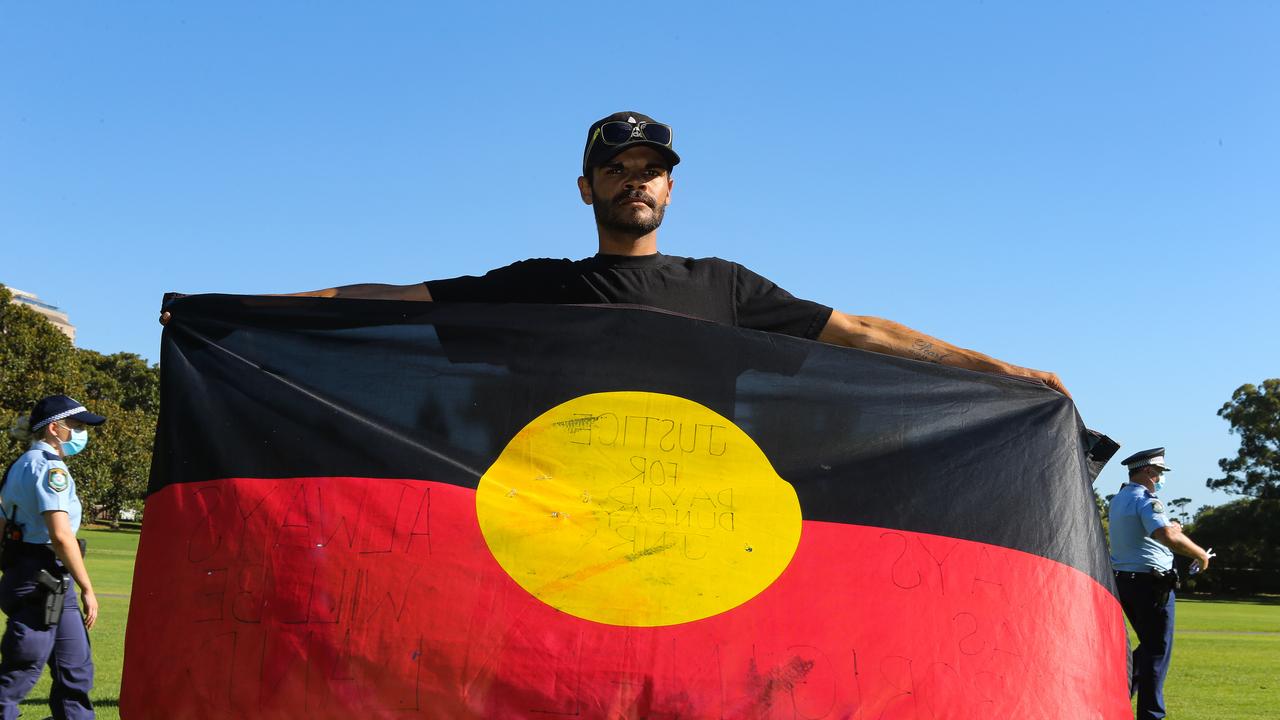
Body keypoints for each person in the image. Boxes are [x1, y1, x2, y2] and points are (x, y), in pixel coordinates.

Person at [163, 110, 1067, 396]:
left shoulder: (726, 287)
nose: (636, 180)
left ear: (671, 189)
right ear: (587, 186)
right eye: (617, 167)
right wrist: (240, 311)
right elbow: (394, 301)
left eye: (652, 170)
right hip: (555, 531)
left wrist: (1008, 371)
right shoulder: (536, 289)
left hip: (701, 528)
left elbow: (863, 334)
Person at [0, 395, 103, 720]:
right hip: (40, 576)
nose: (80, 432)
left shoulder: (19, 465)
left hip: (45, 577)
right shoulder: (49, 468)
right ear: (54, 428)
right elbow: (61, 536)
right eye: (75, 425)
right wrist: (88, 587)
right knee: (21, 669)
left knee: (75, 667)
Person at [1109, 447, 1211, 720]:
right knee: (1157, 651)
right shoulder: (1147, 500)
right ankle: (1151, 715)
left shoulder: (1120, 498)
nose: (1161, 477)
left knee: (1151, 645)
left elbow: (1152, 532)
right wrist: (1200, 554)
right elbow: (1164, 534)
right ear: (1148, 471)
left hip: (1126, 581)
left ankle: (1117, 695)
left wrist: (1171, 528)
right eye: (1159, 472)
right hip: (1150, 585)